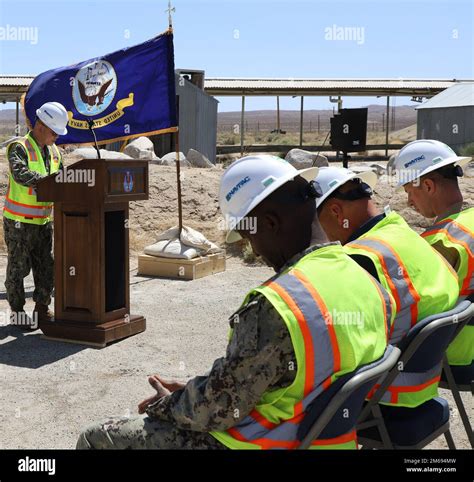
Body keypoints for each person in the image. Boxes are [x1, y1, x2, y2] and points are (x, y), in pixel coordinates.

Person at [77, 155, 393, 450]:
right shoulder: (367, 276)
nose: (253, 250)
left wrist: (167, 404)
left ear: (269, 223)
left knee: (95, 437)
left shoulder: (276, 304)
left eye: (248, 236)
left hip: (265, 441)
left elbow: (219, 408)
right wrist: (195, 389)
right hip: (324, 439)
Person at [314, 166, 459, 407]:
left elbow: (343, 347)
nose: (322, 235)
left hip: (386, 401)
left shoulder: (360, 258)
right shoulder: (398, 228)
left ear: (336, 211)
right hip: (423, 389)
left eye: (318, 224)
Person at [391, 139, 473, 371]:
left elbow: (414, 311)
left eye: (409, 191)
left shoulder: (440, 241)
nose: (408, 202)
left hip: (457, 357)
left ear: (428, 186)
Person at [3, 101, 67, 330]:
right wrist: (48, 183)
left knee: (45, 266)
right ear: (41, 126)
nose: (57, 138)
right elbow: (21, 174)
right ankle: (18, 312)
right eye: (54, 132)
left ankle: (42, 308)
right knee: (18, 268)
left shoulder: (55, 152)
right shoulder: (18, 147)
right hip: (19, 222)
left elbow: (64, 180)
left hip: (43, 222)